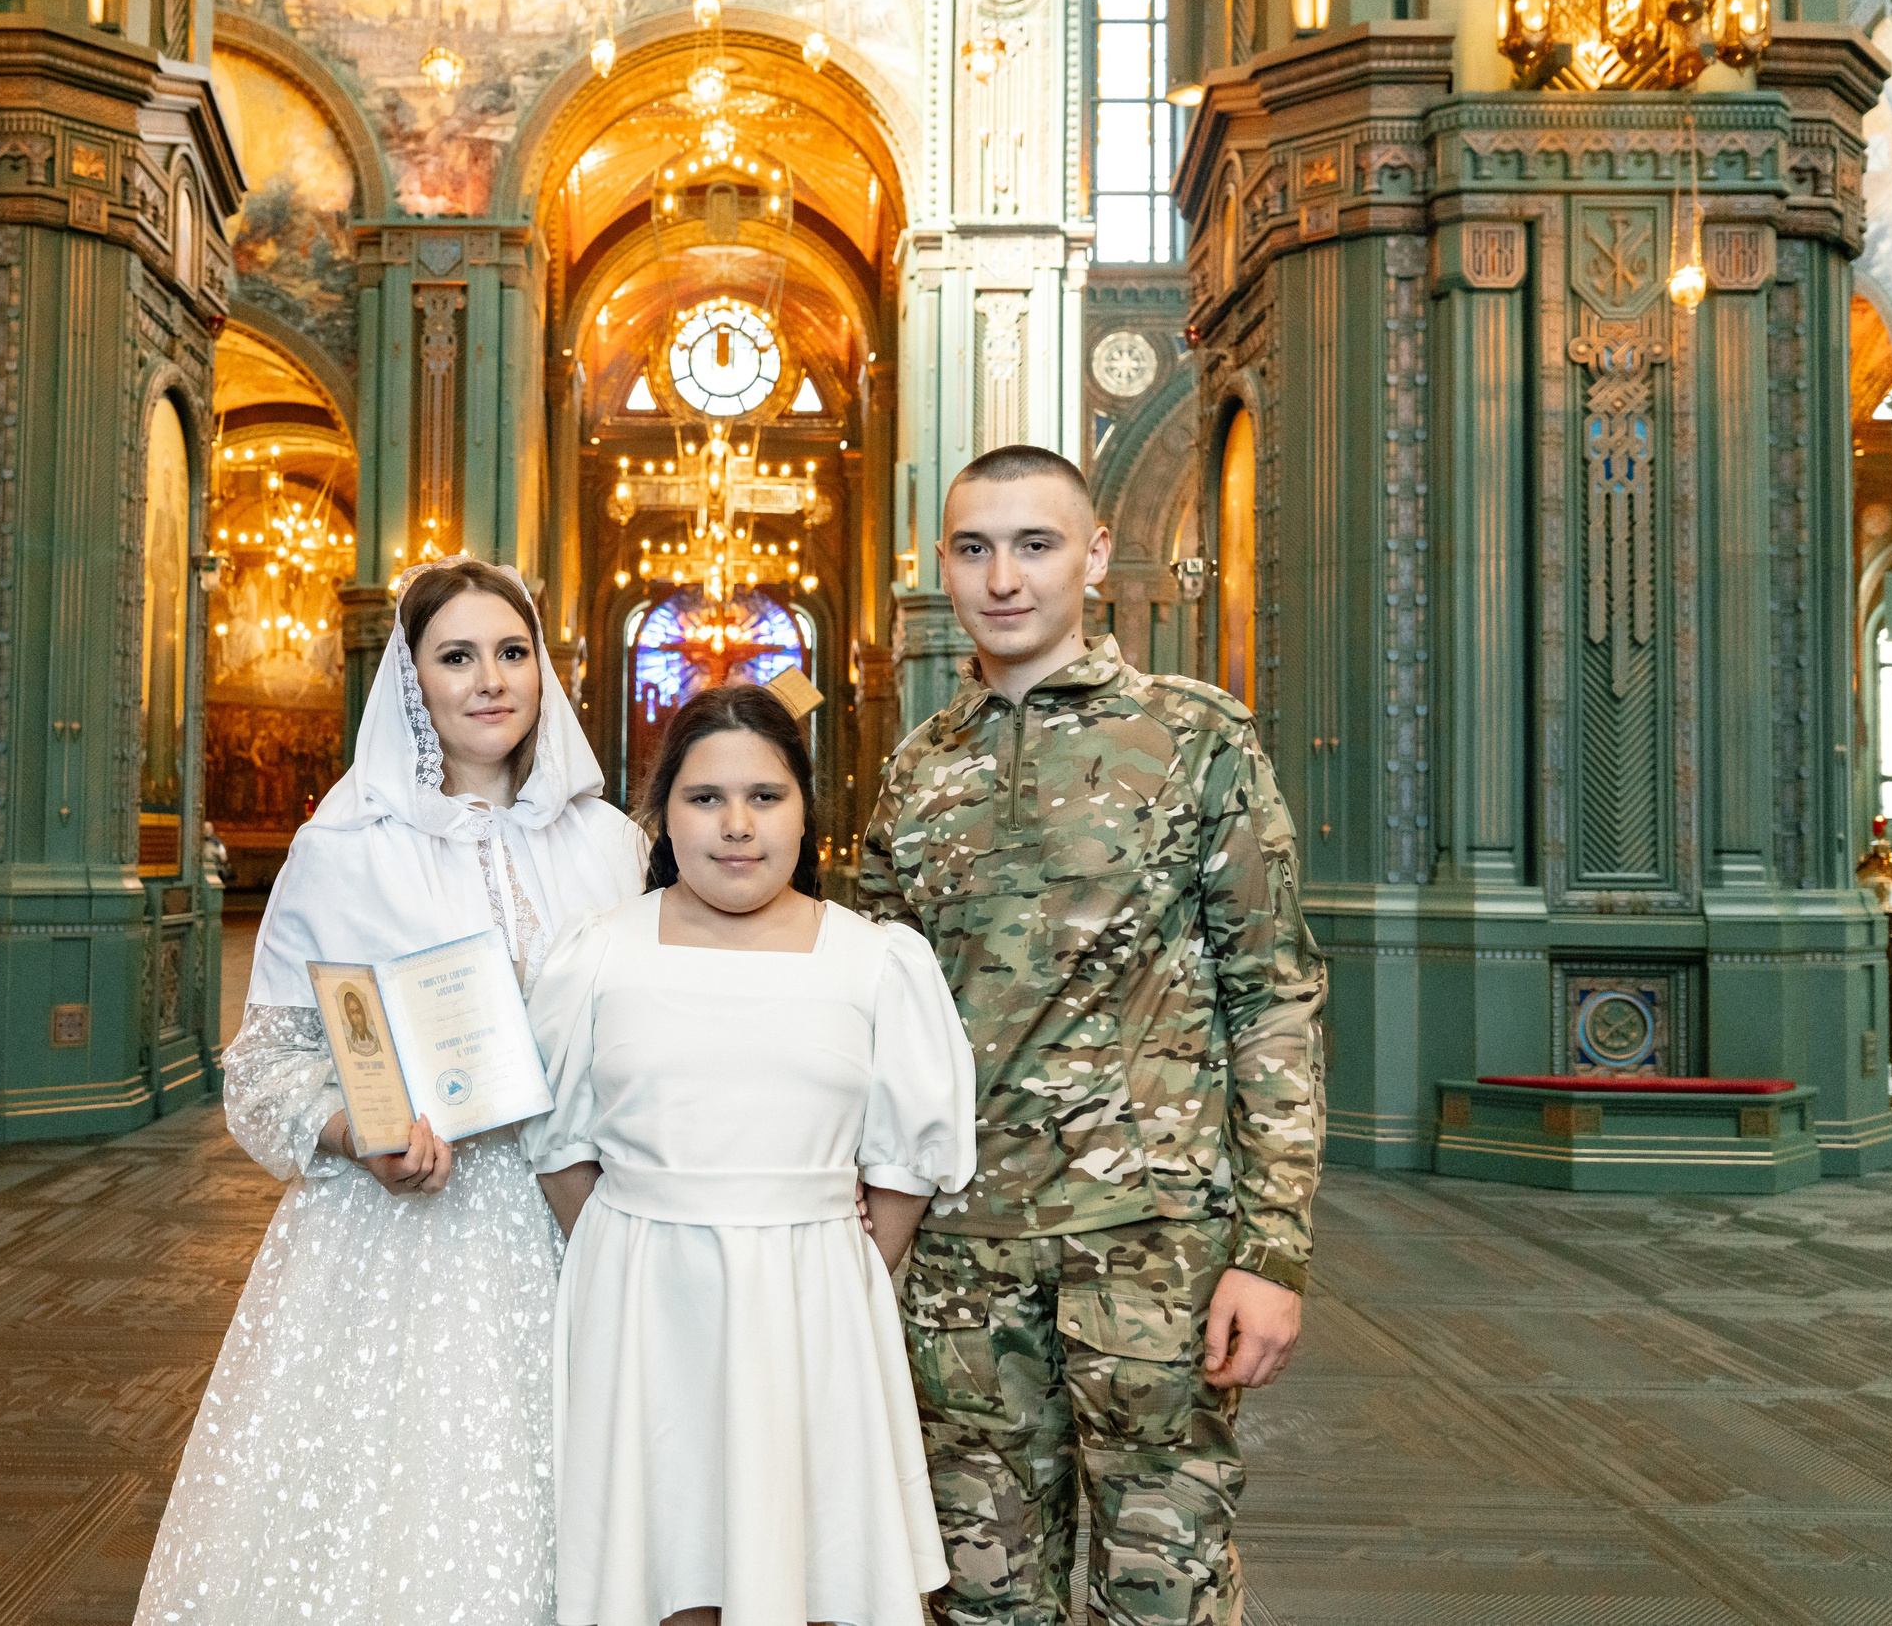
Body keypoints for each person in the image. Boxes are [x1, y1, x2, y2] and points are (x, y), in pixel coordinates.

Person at [859, 444, 1326, 1626]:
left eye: (1034, 544)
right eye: (973, 548)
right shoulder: (919, 772)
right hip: (962, 1260)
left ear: (1095, 556)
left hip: (1157, 1250)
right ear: (943, 565)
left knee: (1161, 1590)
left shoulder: (1195, 738)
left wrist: (1271, 1253)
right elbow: (869, 1027)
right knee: (979, 1593)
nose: (1002, 577)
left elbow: (1270, 996)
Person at [134, 558, 647, 1626]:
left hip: (585, 1217)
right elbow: (263, 1071)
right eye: (456, 656)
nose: (490, 679)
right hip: (401, 1230)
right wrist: (356, 1130)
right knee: (406, 1514)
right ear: (411, 680)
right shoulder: (342, 849)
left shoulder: (611, 844)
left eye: (512, 652)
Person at [524, 684, 977, 1626]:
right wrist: (644, 1243)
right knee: (660, 1561)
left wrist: (818, 1260)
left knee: (809, 1565)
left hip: (813, 1302)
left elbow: (903, 1162)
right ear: (663, 816)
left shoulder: (875, 961)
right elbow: (561, 1145)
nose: (737, 827)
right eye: (705, 799)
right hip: (644, 1305)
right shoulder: (599, 955)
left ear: (806, 812)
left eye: (765, 798)